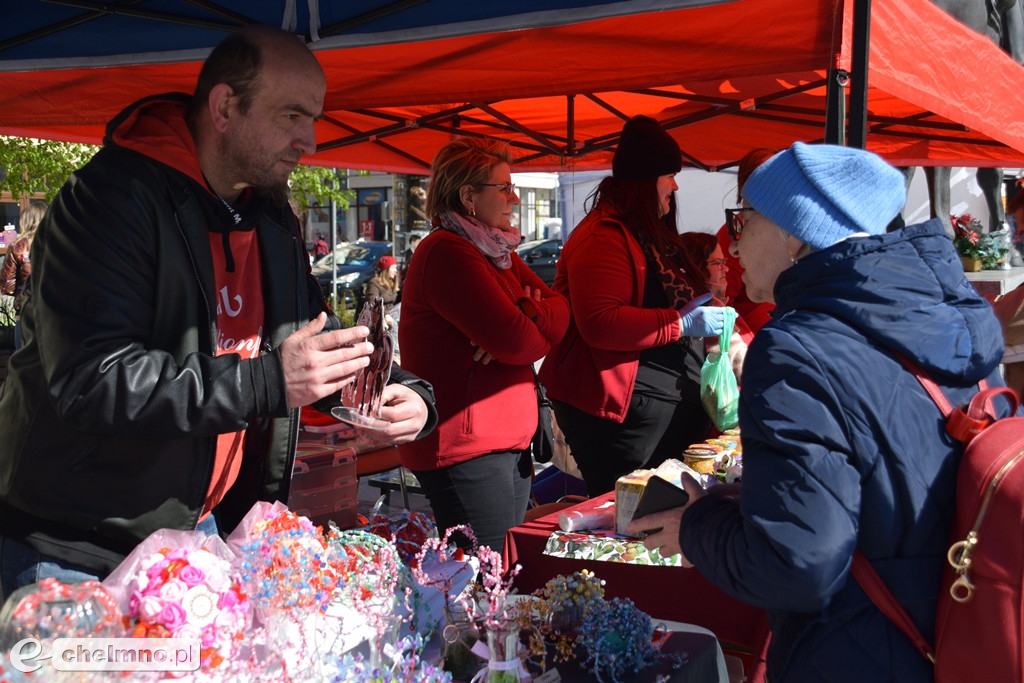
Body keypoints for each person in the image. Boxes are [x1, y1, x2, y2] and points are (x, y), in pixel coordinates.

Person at [0, 25, 436, 599]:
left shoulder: (271, 219)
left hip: (197, 535)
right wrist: (268, 380)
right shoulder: (109, 201)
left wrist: (394, 389)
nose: (309, 140)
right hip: (77, 548)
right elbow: (92, 380)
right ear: (225, 107)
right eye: (291, 116)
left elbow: (312, 340)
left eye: (314, 118)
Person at [628, 142, 1011, 682]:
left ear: (795, 233)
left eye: (743, 221)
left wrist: (700, 523)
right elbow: (891, 480)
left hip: (857, 651)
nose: (733, 247)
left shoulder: (795, 348)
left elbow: (797, 564)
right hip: (963, 630)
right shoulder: (952, 321)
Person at [538, 115, 728, 496]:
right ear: (645, 180)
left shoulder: (642, 232)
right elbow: (601, 322)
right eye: (668, 175)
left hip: (652, 410)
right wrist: (681, 324)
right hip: (617, 417)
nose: (674, 186)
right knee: (627, 519)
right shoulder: (602, 237)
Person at [398, 137, 570, 551]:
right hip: (466, 451)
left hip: (502, 446)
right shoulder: (447, 251)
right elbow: (518, 340)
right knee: (483, 582)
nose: (514, 197)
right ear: (468, 196)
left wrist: (529, 314)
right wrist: (524, 320)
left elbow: (562, 311)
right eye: (504, 187)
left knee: (499, 574)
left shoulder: (496, 252)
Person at [715, 148, 777, 334]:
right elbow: (721, 303)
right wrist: (745, 344)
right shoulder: (732, 234)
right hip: (753, 347)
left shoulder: (784, 226)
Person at [0, 200, 46, 349]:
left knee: (24, 357)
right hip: (52, 309)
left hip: (26, 308)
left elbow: (6, 285)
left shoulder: (18, 247)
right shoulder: (57, 243)